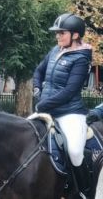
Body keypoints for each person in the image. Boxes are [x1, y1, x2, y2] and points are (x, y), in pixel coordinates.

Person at [33, 13, 92, 197]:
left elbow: (69, 91)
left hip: (69, 113)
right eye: (57, 33)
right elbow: (39, 71)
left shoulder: (81, 59)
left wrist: (42, 104)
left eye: (62, 33)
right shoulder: (54, 50)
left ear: (75, 35)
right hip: (45, 108)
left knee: (74, 151)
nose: (57, 36)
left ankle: (84, 191)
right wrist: (36, 89)